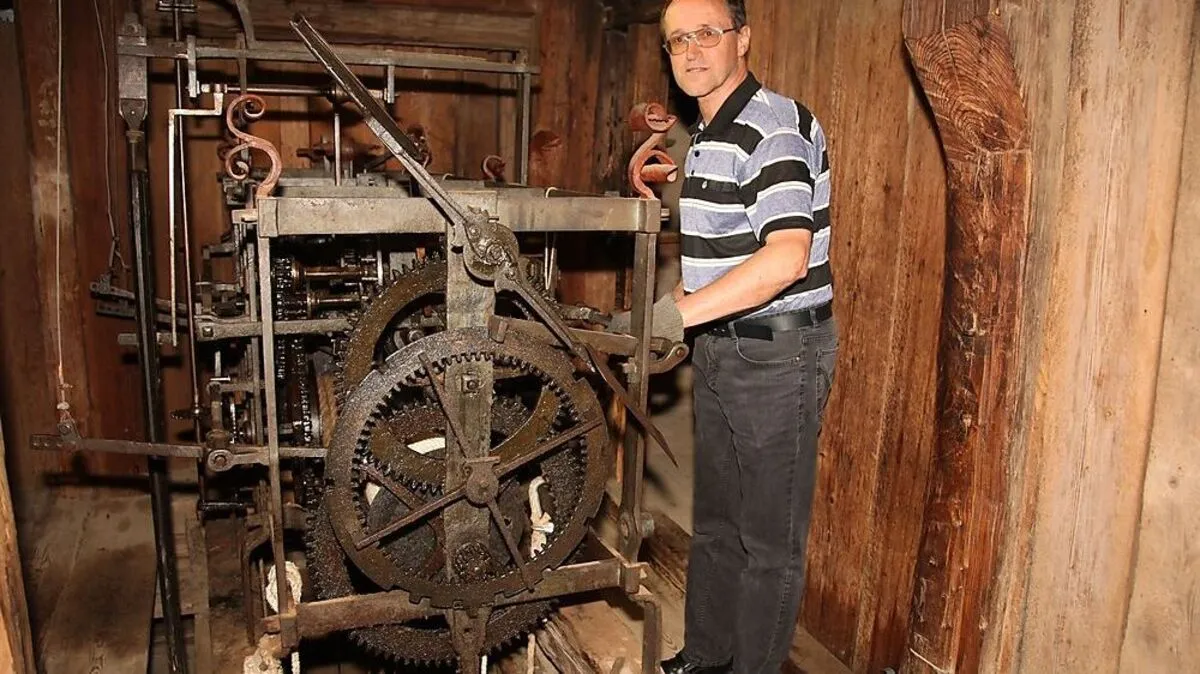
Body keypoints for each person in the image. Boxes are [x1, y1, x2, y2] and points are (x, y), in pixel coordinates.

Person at [615, 0, 839, 671]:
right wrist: (670, 310)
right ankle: (708, 654)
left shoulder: (771, 127)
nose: (691, 50)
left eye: (707, 33)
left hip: (778, 354)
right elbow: (730, 261)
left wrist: (677, 317)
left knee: (769, 545)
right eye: (678, 39)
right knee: (717, 525)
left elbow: (785, 258)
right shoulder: (709, 135)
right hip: (722, 347)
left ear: (743, 37)